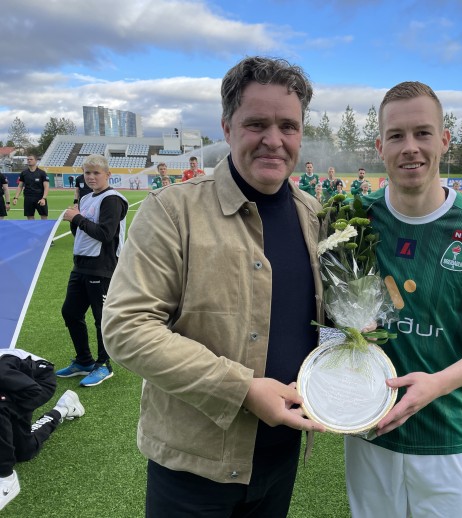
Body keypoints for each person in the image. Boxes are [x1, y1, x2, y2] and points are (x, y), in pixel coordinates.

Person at [102, 56, 326, 517]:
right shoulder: (172, 211)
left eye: (288, 126)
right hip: (193, 471)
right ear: (227, 128)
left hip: (282, 458)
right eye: (256, 124)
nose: (274, 140)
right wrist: (243, 389)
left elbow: (320, 321)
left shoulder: (314, 215)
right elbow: (127, 327)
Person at [345, 81, 462, 518]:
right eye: (396, 135)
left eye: (422, 133)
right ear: (380, 147)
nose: (410, 147)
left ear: (444, 140)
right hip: (369, 429)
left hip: (447, 432)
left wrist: (438, 384)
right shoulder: (353, 219)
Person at [56, 154, 129, 388]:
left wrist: (77, 218)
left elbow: (105, 234)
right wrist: (75, 220)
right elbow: (80, 233)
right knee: (70, 312)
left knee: (101, 319)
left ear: (108, 175)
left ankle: (104, 365)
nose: (91, 177)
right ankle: (84, 361)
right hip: (81, 265)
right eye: (87, 172)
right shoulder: (87, 198)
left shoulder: (112, 199)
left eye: (96, 173)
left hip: (102, 267)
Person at [0, 348, 85, 512]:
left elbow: (32, 391)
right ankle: (63, 409)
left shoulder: (3, 369)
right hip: (13, 384)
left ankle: (6, 479)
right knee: (24, 451)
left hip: (39, 381)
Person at [12, 155, 49, 220]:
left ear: (36, 161)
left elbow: (46, 187)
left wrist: (44, 198)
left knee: (43, 216)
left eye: (31, 159)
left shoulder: (42, 173)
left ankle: (44, 227)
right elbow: (20, 186)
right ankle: (32, 227)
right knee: (29, 216)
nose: (29, 160)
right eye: (28, 159)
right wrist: (16, 198)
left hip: (40, 197)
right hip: (28, 197)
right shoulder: (24, 173)